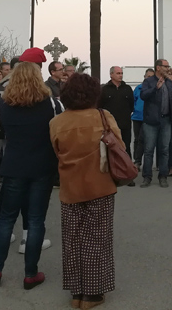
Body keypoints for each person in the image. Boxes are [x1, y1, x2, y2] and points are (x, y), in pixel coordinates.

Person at [51, 73, 126, 309]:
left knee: (72, 240)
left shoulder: (56, 123)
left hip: (70, 188)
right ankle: (93, 294)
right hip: (100, 186)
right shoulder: (103, 117)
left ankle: (77, 292)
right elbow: (120, 147)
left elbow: (57, 152)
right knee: (96, 239)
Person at [0, 62, 57, 290]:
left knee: (6, 219)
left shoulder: (5, 102)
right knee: (36, 219)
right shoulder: (50, 103)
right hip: (41, 165)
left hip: (14, 165)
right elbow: (57, 127)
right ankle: (30, 273)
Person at [140, 59, 172, 188]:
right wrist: (155, 88)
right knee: (149, 150)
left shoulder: (170, 83)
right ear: (158, 68)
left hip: (166, 121)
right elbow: (143, 95)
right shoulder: (148, 82)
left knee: (165, 150)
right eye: (166, 66)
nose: (168, 68)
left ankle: (163, 177)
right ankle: (147, 177)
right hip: (151, 121)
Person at [99, 66, 134, 158]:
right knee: (112, 148)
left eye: (121, 73)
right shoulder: (105, 89)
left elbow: (131, 105)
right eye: (118, 73)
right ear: (111, 74)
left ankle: (127, 168)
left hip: (125, 125)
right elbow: (100, 106)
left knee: (126, 147)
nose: (120, 75)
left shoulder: (127, 89)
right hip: (110, 126)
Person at [131, 68, 153, 170]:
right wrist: (135, 109)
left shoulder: (154, 90)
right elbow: (132, 101)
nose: (149, 78)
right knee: (137, 140)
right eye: (148, 76)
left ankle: (142, 162)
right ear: (144, 77)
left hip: (148, 118)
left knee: (144, 140)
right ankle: (137, 161)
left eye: (151, 77)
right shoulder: (138, 89)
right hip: (137, 118)